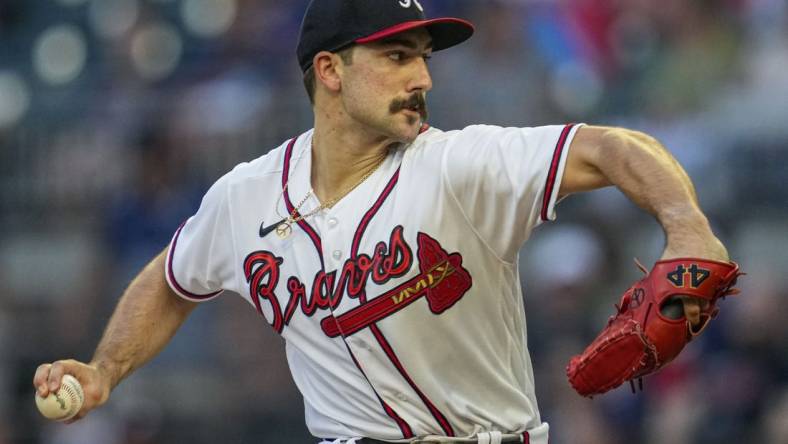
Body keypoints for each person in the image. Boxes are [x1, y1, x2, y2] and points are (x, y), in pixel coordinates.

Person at [34, 1, 731, 443]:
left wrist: (687, 226)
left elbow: (609, 147)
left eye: (424, 57)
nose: (423, 77)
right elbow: (171, 278)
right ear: (331, 71)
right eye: (398, 56)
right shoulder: (243, 198)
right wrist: (104, 370)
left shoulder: (462, 165)